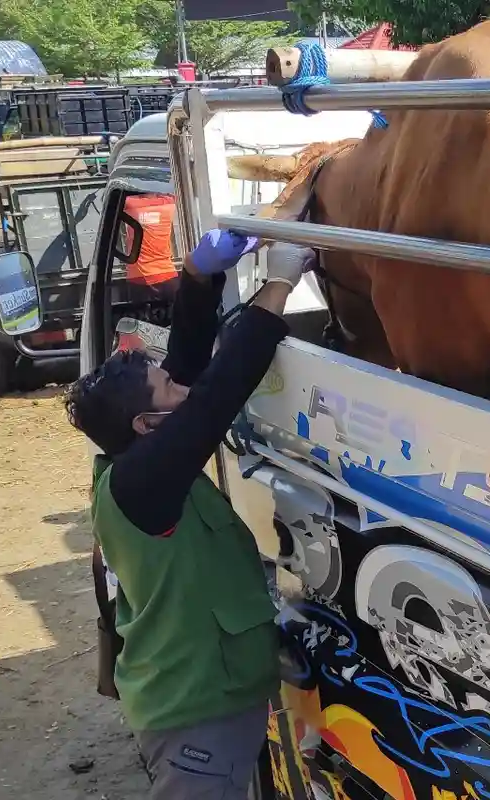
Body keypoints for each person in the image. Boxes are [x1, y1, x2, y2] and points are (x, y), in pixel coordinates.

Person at [63, 229, 317, 799]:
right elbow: (213, 396)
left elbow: (187, 372)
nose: (180, 387)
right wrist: (279, 283)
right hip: (194, 721)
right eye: (166, 390)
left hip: (202, 700)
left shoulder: (135, 462)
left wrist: (199, 280)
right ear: (147, 427)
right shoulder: (144, 483)